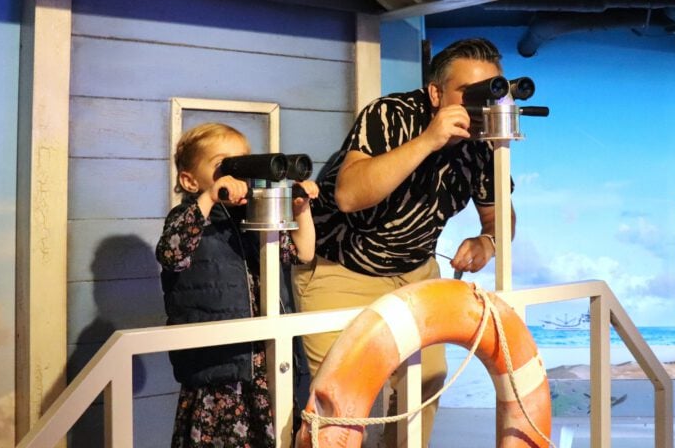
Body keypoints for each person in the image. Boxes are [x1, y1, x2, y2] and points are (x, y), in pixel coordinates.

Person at [294, 38, 516, 446]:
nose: (481, 105)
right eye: (469, 94)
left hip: (414, 270)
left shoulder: (484, 140)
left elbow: (499, 215)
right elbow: (348, 195)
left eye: (492, 90)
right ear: (436, 93)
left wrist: (488, 242)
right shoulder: (391, 114)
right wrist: (430, 140)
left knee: (426, 382)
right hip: (342, 268)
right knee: (337, 402)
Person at [156, 122, 319, 448]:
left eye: (243, 162)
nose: (237, 174)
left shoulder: (255, 218)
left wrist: (300, 209)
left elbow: (302, 252)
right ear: (189, 180)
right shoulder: (188, 216)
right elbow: (172, 253)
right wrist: (209, 198)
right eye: (224, 165)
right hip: (217, 369)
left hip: (263, 360)